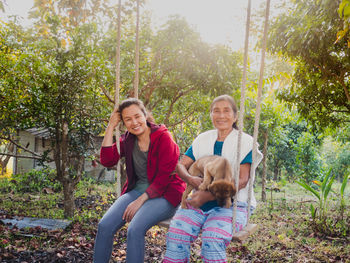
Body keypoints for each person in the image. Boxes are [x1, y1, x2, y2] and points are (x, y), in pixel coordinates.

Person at [163, 95, 263, 263]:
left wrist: (207, 195)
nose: (221, 115)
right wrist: (190, 178)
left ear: (235, 116)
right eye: (216, 111)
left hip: (234, 204)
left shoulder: (245, 142)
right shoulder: (203, 138)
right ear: (211, 115)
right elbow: (181, 165)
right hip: (198, 202)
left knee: (213, 237)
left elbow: (242, 180)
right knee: (176, 233)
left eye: (226, 111)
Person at [93, 98, 185, 263]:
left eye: (137, 116)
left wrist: (140, 201)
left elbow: (164, 178)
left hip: (166, 194)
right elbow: (107, 160)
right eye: (128, 119)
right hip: (138, 190)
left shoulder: (164, 137)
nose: (134, 122)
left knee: (135, 229)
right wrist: (110, 126)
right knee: (104, 226)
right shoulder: (128, 139)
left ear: (145, 115)